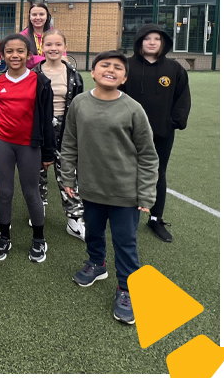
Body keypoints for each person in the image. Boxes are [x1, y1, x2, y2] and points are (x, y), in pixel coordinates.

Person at [62, 51, 159, 325]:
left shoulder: (132, 109)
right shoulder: (79, 104)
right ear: (92, 72)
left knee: (125, 241)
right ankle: (97, 264)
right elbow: (69, 143)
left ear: (124, 77)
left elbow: (148, 155)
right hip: (91, 188)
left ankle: (127, 289)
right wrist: (68, 177)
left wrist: (147, 193)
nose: (111, 70)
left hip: (125, 191)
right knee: (92, 231)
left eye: (118, 68)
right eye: (105, 65)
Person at [0, 34, 56, 263]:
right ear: (2, 55)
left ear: (29, 55)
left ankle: (38, 239)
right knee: (4, 192)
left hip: (29, 146)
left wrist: (47, 152)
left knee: (31, 192)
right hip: (3, 143)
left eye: (20, 51)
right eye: (9, 51)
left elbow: (46, 119)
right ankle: (4, 237)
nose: (15, 55)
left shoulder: (41, 83)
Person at [120, 24, 191, 243]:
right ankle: (122, 216)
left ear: (164, 43)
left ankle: (155, 218)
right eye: (147, 38)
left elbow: (182, 98)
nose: (152, 42)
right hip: (128, 133)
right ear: (139, 41)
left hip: (162, 133)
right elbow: (116, 95)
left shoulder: (174, 69)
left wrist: (173, 123)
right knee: (124, 173)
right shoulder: (127, 66)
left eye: (157, 39)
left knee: (158, 174)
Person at [31, 29, 86, 239]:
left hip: (66, 129)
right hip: (39, 128)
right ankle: (39, 209)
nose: (53, 48)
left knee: (68, 174)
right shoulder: (34, 74)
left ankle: (74, 218)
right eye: (49, 45)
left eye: (57, 45)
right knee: (37, 172)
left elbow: (80, 105)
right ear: (42, 48)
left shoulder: (74, 75)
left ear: (65, 48)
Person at [20, 3, 53, 69]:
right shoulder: (22, 37)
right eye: (34, 15)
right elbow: (26, 58)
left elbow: (61, 54)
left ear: (47, 16)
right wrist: (48, 60)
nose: (38, 18)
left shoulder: (55, 34)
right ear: (30, 17)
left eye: (41, 14)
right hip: (30, 74)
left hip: (51, 72)